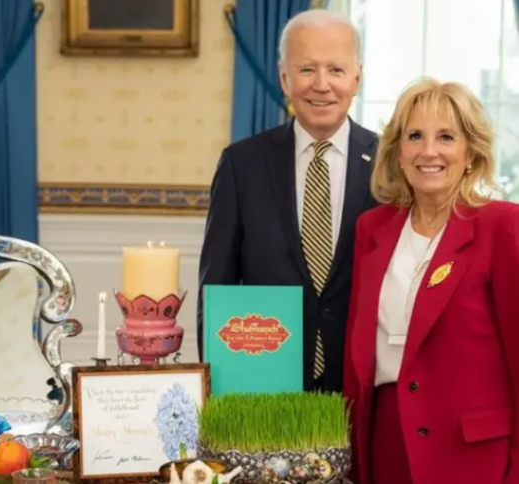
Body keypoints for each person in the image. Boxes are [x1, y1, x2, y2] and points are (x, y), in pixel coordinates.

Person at [343, 77, 519, 484]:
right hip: (385, 446)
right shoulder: (373, 228)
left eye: (446, 137)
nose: (428, 151)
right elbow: (359, 349)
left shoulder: (503, 227)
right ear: (398, 152)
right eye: (415, 136)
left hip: (476, 457)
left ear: (470, 151)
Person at [197, 9, 378, 392]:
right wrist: (215, 384)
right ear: (284, 77)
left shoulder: (389, 164)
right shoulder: (240, 164)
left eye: (336, 70)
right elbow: (217, 287)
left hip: (362, 385)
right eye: (307, 69)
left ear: (357, 78)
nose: (322, 85)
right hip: (262, 386)